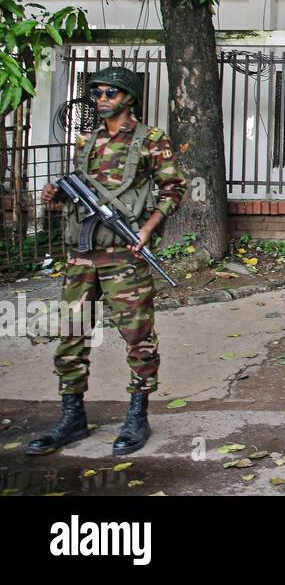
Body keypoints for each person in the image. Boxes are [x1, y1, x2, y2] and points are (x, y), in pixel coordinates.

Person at [27, 67, 187, 457]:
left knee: (137, 338)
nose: (101, 98)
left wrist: (148, 228)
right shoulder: (87, 140)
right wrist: (55, 195)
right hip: (82, 255)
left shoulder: (151, 141)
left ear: (128, 98)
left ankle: (137, 414)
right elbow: (77, 193)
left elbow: (173, 189)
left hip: (124, 256)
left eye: (110, 92)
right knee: (71, 335)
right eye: (96, 91)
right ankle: (72, 416)